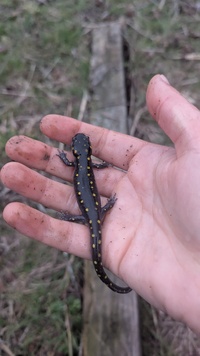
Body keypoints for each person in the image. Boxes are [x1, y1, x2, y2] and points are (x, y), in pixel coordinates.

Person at [1, 74, 200, 334]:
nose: (75, 149)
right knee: (91, 221)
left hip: (93, 210)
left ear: (79, 152)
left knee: (90, 221)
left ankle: (91, 241)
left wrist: (66, 160)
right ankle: (103, 266)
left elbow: (70, 162)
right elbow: (95, 165)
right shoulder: (85, 162)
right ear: (87, 152)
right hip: (94, 210)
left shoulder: (76, 161)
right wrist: (106, 181)